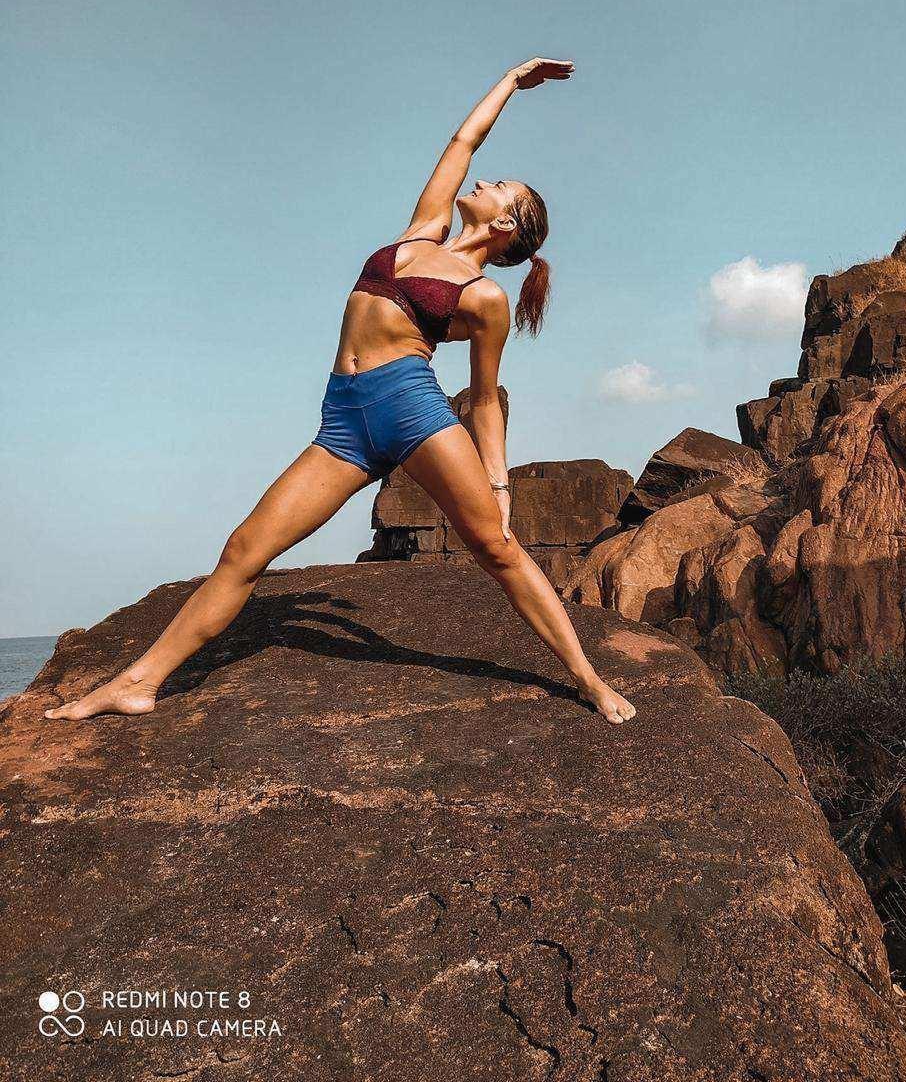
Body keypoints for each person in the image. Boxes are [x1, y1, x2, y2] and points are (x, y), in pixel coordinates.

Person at [44, 58, 636, 726]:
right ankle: (140, 682)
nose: (486, 178)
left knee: (497, 550)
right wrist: (509, 82)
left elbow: (486, 395)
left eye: (502, 186)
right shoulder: (424, 228)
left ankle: (587, 678)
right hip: (343, 421)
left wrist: (499, 487)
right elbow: (461, 142)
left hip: (410, 410)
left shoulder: (485, 298)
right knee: (244, 550)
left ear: (507, 224)